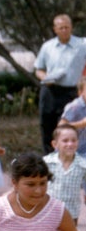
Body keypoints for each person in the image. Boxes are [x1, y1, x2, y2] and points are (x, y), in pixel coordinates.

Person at [34, 14, 86, 153]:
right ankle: (49, 162)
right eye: (61, 28)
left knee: (67, 129)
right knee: (47, 126)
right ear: (55, 29)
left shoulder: (82, 45)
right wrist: (46, 78)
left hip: (71, 91)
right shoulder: (47, 46)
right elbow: (38, 69)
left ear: (71, 28)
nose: (64, 30)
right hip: (50, 91)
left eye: (67, 27)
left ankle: (69, 160)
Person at [44, 124, 86, 224]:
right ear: (55, 144)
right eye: (65, 141)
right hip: (48, 212)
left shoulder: (83, 165)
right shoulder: (46, 162)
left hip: (71, 213)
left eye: (73, 140)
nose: (70, 144)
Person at [58, 75, 86, 158]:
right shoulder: (74, 107)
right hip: (70, 150)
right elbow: (60, 127)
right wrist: (81, 124)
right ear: (80, 92)